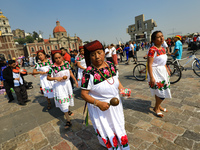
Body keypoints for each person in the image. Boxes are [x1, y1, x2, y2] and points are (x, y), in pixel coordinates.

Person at [81, 40, 130, 149]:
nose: (97, 57)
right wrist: (98, 103)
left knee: (118, 126)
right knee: (107, 129)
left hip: (115, 106)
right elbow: (84, 94)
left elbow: (116, 80)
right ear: (89, 57)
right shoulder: (88, 73)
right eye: (93, 55)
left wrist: (123, 90)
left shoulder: (111, 65)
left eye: (99, 52)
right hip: (100, 108)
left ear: (104, 52)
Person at [47, 50, 78, 129]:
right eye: (56, 58)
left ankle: (68, 110)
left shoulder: (67, 64)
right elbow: (48, 77)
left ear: (62, 57)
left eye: (59, 57)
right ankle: (68, 120)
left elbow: (70, 73)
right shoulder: (52, 67)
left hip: (67, 84)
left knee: (68, 98)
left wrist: (75, 80)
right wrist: (55, 78)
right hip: (59, 86)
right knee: (63, 101)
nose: (58, 59)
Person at [147, 31, 171, 118]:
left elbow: (163, 62)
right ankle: (156, 108)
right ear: (153, 40)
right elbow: (149, 64)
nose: (161, 38)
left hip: (163, 72)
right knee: (161, 92)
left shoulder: (163, 49)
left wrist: (167, 69)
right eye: (158, 37)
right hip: (155, 72)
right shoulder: (152, 50)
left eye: (162, 36)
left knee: (160, 91)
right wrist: (152, 77)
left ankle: (158, 106)